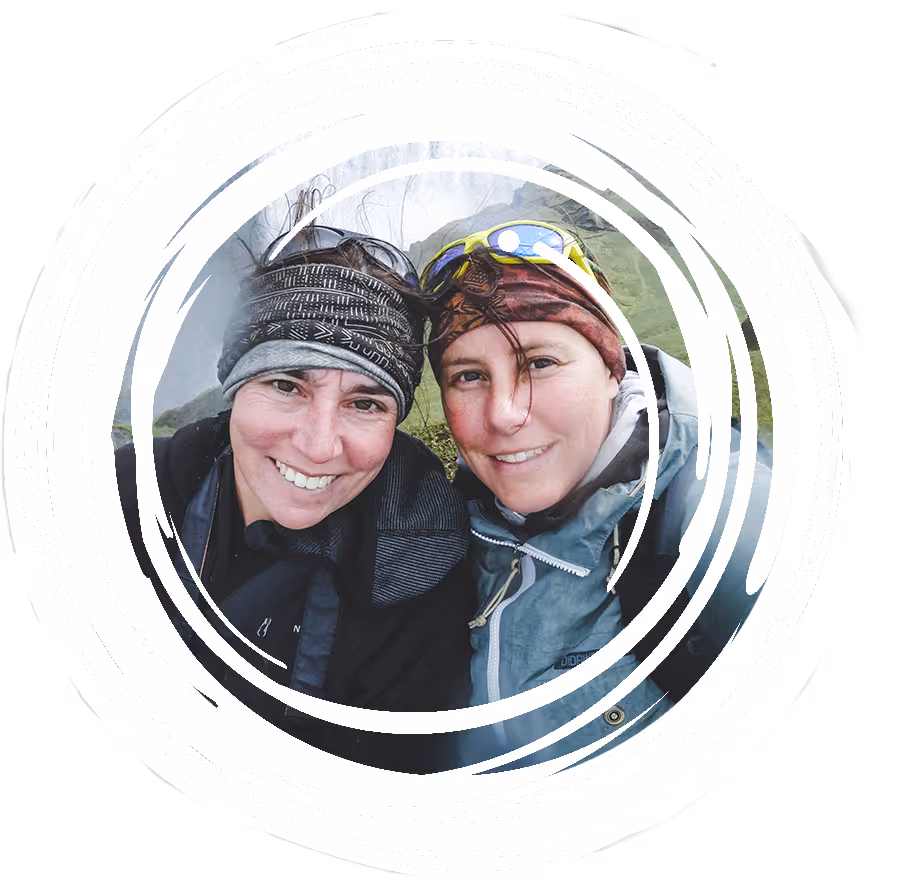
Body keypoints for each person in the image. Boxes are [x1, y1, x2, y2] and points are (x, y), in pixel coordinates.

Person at [116, 222, 476, 773]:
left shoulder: (423, 579)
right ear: (235, 385)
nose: (318, 445)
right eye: (286, 385)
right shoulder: (129, 490)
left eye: (365, 404)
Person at [420, 220, 773, 768]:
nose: (504, 415)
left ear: (613, 368)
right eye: (468, 375)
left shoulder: (717, 513)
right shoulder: (450, 526)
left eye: (540, 363)